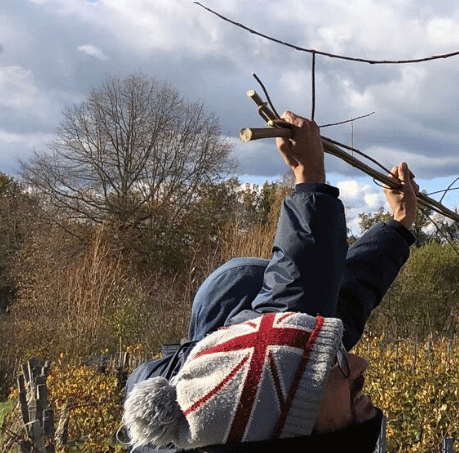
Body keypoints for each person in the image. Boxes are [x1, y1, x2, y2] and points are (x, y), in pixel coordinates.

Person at [119, 112, 419, 453]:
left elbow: (320, 308)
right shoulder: (274, 399)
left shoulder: (260, 406)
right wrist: (312, 180)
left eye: (331, 364)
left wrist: (395, 226)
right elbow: (305, 307)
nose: (359, 363)